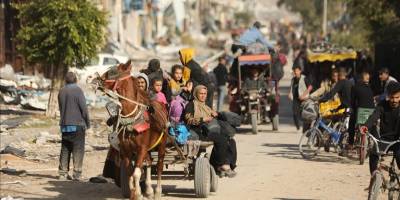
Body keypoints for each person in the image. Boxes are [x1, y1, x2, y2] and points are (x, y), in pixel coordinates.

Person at [184, 85, 236, 177]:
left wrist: (217, 114)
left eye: (205, 94)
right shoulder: (191, 105)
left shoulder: (206, 106)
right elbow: (188, 120)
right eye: (201, 93)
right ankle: (220, 165)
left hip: (210, 130)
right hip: (198, 132)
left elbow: (216, 116)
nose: (203, 96)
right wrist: (202, 119)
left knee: (231, 140)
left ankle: (227, 164)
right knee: (221, 140)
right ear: (196, 94)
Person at [361, 82, 400, 174]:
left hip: (398, 140)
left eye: (397, 97)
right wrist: (365, 126)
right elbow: (374, 116)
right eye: (392, 97)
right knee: (373, 154)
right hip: (384, 140)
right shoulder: (382, 105)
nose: (394, 100)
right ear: (387, 96)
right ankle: (374, 180)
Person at [58, 72, 90, 181]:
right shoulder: (78, 91)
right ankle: (77, 174)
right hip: (77, 125)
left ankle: (62, 173)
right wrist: (88, 123)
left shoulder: (61, 91)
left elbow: (62, 108)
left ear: (65, 80)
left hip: (65, 125)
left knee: (65, 149)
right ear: (76, 80)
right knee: (78, 150)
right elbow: (84, 109)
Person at [348, 71, 375, 149]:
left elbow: (352, 101)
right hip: (371, 111)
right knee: (373, 126)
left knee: (352, 122)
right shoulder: (370, 88)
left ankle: (350, 143)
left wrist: (352, 109)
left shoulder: (355, 87)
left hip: (360, 111)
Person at [289, 66, 312, 132]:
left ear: (300, 71)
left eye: (297, 71)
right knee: (295, 113)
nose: (295, 72)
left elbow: (310, 87)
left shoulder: (304, 78)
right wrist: (290, 93)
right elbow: (291, 88)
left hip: (304, 99)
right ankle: (298, 127)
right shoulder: (293, 79)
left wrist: (304, 95)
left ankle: (305, 129)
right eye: (294, 71)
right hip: (296, 98)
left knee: (305, 114)